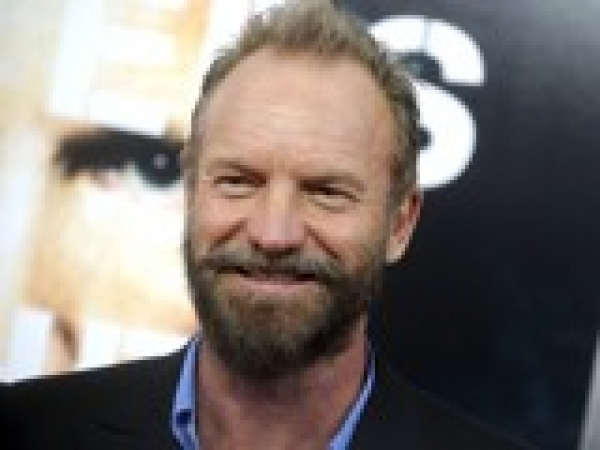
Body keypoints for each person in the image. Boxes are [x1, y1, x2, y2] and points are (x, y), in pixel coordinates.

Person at [1, 1, 531, 448]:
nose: (273, 234)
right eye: (237, 182)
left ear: (401, 222)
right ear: (192, 192)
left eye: (326, 192)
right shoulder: (25, 430)